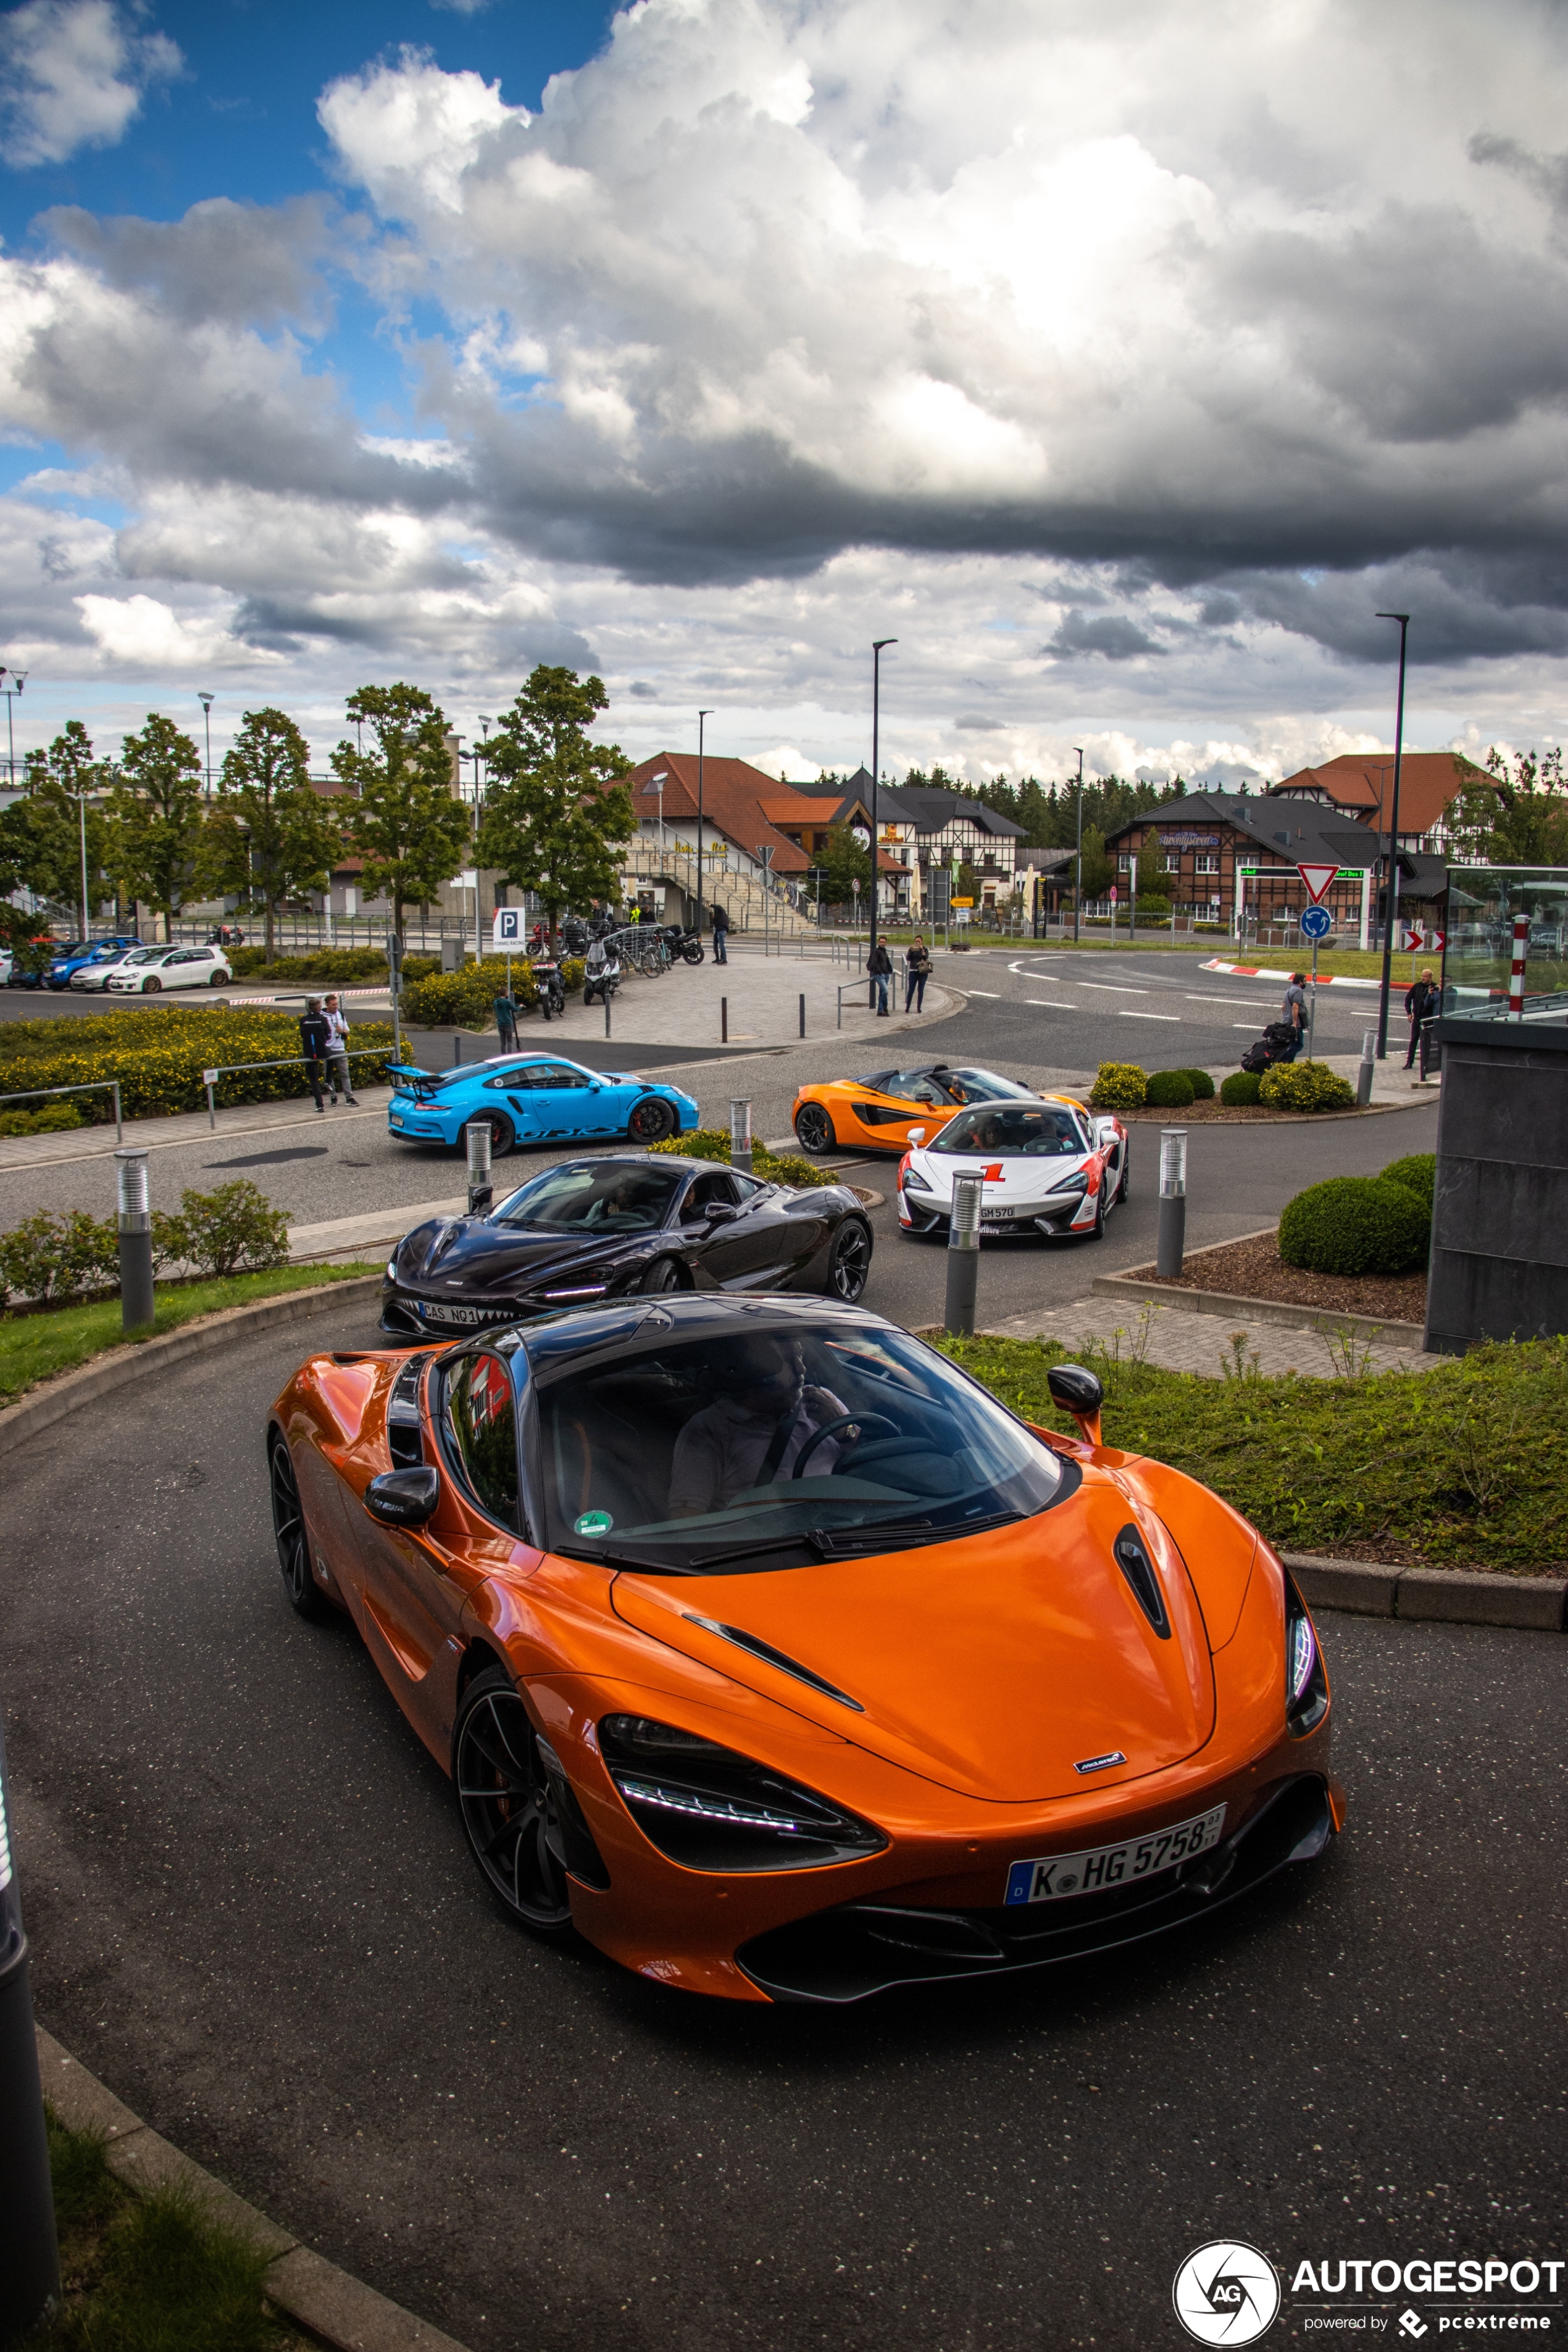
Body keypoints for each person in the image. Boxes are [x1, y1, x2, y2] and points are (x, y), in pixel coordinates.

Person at [669, 1336, 850, 1516]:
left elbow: (871, 1463)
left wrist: (844, 1431)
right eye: (786, 1361)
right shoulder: (708, 1431)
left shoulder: (823, 1403)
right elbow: (686, 1522)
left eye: (800, 1356)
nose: (801, 1368)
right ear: (748, 1369)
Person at [322, 995, 359, 1104]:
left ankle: (349, 1097)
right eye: (333, 1005)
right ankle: (333, 1098)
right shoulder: (322, 1016)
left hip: (340, 1048)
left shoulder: (341, 1015)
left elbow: (348, 1031)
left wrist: (342, 1031)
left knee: (345, 1074)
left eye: (337, 1004)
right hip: (328, 1049)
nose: (336, 1006)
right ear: (327, 1005)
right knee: (329, 1075)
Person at [298, 997, 331, 1114]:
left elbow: (302, 1034)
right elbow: (329, 1035)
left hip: (309, 1053)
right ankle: (328, 1079)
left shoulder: (303, 1020)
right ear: (318, 1007)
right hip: (322, 1050)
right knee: (333, 1056)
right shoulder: (323, 1019)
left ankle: (320, 1105)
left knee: (314, 1079)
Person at [1404, 967, 1440, 1070]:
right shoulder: (1417, 987)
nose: (1423, 978)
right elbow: (1408, 999)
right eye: (1422, 976)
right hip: (1417, 1018)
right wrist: (1409, 1013)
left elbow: (1438, 1002)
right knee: (1413, 1040)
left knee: (1426, 1042)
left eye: (1425, 976)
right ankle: (1409, 1062)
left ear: (1430, 977)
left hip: (1428, 1019)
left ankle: (1426, 1064)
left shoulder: (1435, 988)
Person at [1280, 971, 1308, 1061]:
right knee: (1298, 1045)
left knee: (1291, 1044)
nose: (1306, 983)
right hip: (1295, 1024)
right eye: (1305, 981)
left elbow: (1283, 1007)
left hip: (1286, 1021)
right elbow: (1295, 1006)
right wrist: (1295, 1023)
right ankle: (1282, 1059)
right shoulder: (1298, 991)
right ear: (1300, 982)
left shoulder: (1289, 990)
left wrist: (1286, 1017)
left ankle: (1289, 1064)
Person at [904, 936, 932, 1012]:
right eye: (916, 941)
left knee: (921, 990)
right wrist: (911, 950)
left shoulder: (925, 949)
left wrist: (922, 950)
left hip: (922, 972)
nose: (918, 943)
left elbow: (926, 958)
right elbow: (908, 958)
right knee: (911, 990)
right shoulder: (912, 949)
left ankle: (919, 1008)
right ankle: (908, 1008)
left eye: (919, 941)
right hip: (913, 971)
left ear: (922, 942)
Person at [868, 936, 893, 1016]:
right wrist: (879, 972)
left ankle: (880, 1010)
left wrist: (890, 971)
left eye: (884, 942)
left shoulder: (884, 952)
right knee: (885, 992)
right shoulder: (877, 951)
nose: (882, 943)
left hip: (886, 975)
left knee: (882, 992)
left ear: (886, 943)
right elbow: (874, 963)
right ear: (879, 942)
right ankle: (885, 1007)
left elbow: (887, 962)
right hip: (880, 975)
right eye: (881, 942)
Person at [493, 983, 519, 1049]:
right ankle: (509, 1056)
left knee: (503, 1042)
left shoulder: (495, 1002)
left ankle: (504, 1056)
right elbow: (515, 1009)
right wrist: (520, 1007)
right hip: (507, 1024)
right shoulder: (507, 1002)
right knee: (510, 1042)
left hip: (500, 1024)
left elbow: (496, 1010)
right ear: (505, 993)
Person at [711, 899, 728, 964]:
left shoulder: (722, 912)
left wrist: (712, 906)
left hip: (722, 930)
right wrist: (714, 918)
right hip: (718, 930)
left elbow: (719, 907)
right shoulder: (718, 917)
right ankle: (717, 958)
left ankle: (724, 959)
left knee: (721, 945)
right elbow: (715, 924)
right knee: (715, 944)